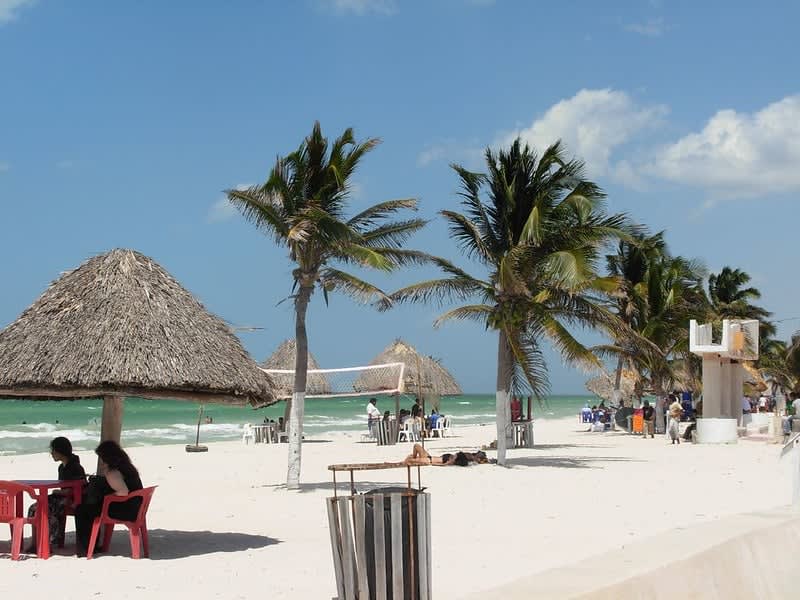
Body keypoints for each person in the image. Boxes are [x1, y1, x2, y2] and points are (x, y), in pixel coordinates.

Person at [74, 441, 143, 557]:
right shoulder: (127, 467)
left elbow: (122, 492)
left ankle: (87, 548)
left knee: (81, 510)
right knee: (90, 508)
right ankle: (93, 544)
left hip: (126, 511)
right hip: (136, 507)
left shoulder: (113, 472)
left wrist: (106, 497)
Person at [25, 437, 86, 553]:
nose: (51, 453)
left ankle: (48, 542)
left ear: (61, 451)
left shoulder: (76, 467)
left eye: (53, 450)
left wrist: (58, 492)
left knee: (47, 510)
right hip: (62, 497)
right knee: (34, 508)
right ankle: (35, 543)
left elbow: (79, 488)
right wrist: (59, 492)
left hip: (74, 500)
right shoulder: (61, 467)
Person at [403, 443, 488, 466]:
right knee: (416, 445)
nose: (455, 454)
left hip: (429, 460)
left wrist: (432, 464)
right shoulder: (466, 456)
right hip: (429, 456)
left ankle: (413, 459)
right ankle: (415, 458)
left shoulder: (453, 459)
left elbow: (445, 464)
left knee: (408, 461)